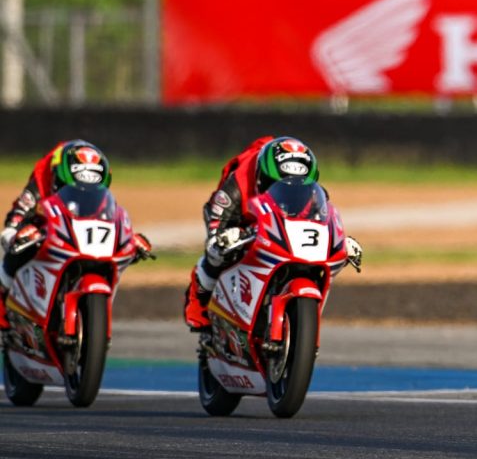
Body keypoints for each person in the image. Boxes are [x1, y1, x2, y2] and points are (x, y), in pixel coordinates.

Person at [183, 136, 362, 330]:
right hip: (238, 216)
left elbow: (319, 221)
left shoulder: (312, 194)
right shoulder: (236, 186)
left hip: (274, 217)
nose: (289, 192)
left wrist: (339, 242)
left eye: (298, 186)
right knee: (217, 254)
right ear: (261, 177)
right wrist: (223, 239)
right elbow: (217, 223)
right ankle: (198, 301)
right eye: (278, 184)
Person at [0, 140, 152, 328]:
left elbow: (109, 217)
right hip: (45, 222)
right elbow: (19, 212)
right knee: (17, 247)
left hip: (80, 234)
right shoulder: (43, 177)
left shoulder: (100, 190)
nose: (83, 194)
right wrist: (14, 231)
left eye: (90, 191)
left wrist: (129, 240)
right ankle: (3, 300)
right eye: (76, 190)